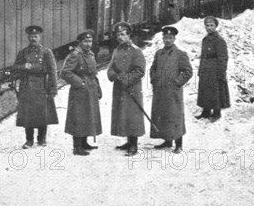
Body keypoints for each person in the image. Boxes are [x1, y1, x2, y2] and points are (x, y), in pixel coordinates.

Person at [12, 25, 58, 149]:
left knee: (42, 113)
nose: (33, 38)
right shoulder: (23, 52)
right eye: (31, 36)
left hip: (41, 86)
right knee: (28, 114)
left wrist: (53, 88)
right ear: (28, 37)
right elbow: (15, 68)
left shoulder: (46, 52)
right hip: (26, 87)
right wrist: (24, 66)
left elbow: (53, 71)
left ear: (40, 37)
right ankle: (29, 140)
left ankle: (42, 139)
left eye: (35, 36)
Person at [150, 26, 193, 154]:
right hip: (160, 91)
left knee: (175, 116)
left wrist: (177, 82)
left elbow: (187, 71)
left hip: (173, 92)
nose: (167, 40)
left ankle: (178, 144)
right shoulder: (159, 54)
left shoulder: (180, 55)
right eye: (165, 38)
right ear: (162, 38)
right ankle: (167, 140)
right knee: (162, 115)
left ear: (174, 39)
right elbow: (153, 69)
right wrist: (154, 80)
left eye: (170, 38)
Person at [107, 21, 146, 156]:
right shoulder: (117, 50)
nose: (120, 37)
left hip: (132, 89)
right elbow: (111, 68)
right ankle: (128, 141)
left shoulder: (136, 51)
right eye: (118, 34)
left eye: (123, 34)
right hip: (119, 88)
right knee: (123, 115)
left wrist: (127, 79)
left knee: (132, 115)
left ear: (129, 35)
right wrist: (113, 75)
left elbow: (140, 71)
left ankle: (134, 145)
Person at [61, 30, 102, 156]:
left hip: (91, 89)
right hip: (79, 91)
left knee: (88, 116)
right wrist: (80, 83)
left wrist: (98, 88)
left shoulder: (90, 54)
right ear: (80, 42)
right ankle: (77, 147)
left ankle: (84, 142)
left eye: (90, 41)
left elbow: (93, 73)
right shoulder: (75, 55)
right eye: (85, 41)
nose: (88, 44)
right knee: (78, 117)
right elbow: (65, 72)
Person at [196, 16, 230, 121]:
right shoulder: (205, 39)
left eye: (212, 25)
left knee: (215, 90)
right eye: (207, 25)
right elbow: (203, 55)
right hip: (206, 68)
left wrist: (221, 72)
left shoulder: (219, 40)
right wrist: (200, 69)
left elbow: (223, 57)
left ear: (216, 26)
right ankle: (206, 111)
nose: (209, 28)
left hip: (215, 68)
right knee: (205, 89)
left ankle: (216, 112)